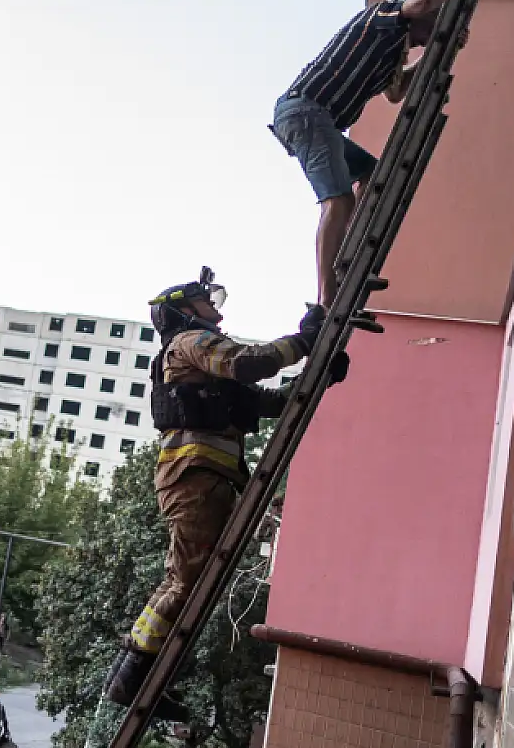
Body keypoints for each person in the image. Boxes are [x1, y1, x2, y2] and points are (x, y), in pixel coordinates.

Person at [103, 268, 347, 710]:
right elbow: (248, 362)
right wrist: (306, 340)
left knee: (183, 580)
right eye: (205, 300)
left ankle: (134, 671)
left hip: (203, 479)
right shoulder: (188, 344)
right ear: (182, 310)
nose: (216, 308)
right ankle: (132, 677)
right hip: (194, 478)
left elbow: (266, 402)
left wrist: (320, 378)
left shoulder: (205, 370)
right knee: (186, 582)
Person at [271, 0, 489, 307]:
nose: (430, 35)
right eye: (435, 25)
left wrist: (441, 50)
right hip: (307, 111)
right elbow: (422, 1)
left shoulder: (394, 52)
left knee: (372, 174)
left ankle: (345, 255)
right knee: (338, 200)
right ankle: (327, 295)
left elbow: (396, 91)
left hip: (317, 120)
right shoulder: (385, 16)